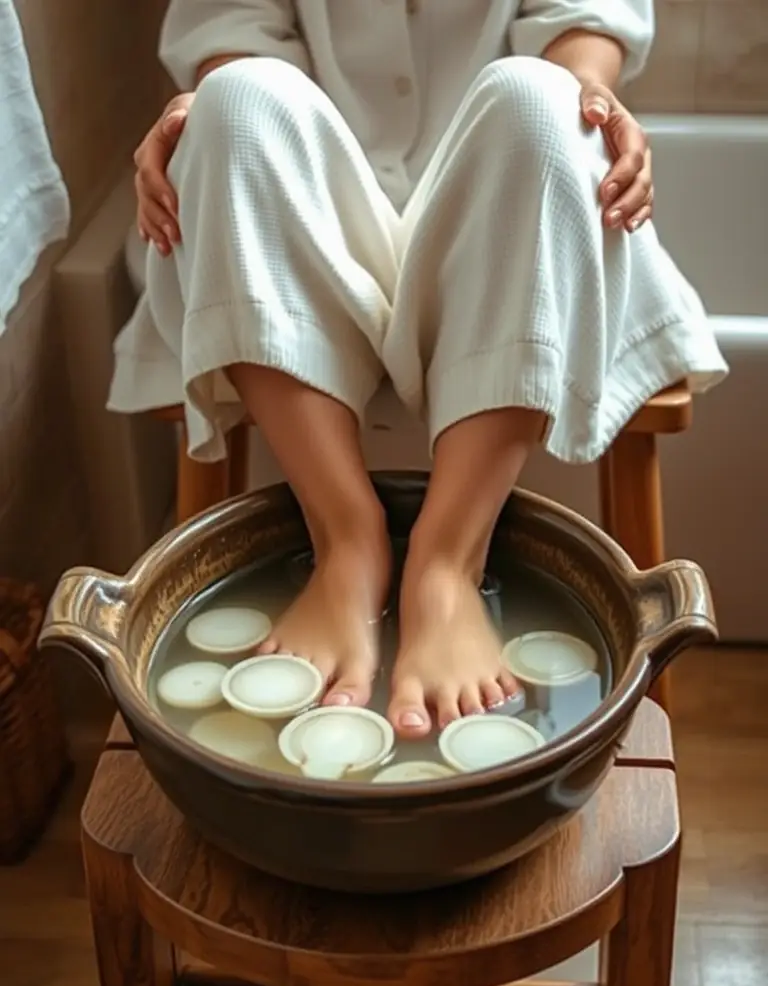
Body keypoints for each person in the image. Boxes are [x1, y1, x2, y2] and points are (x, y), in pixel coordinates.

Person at [110, 0, 727, 740]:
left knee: (541, 100)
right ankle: (346, 538)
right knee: (235, 104)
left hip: (508, 223)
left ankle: (446, 564)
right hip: (312, 231)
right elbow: (234, 36)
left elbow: (580, 27)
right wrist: (203, 119)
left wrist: (586, 103)